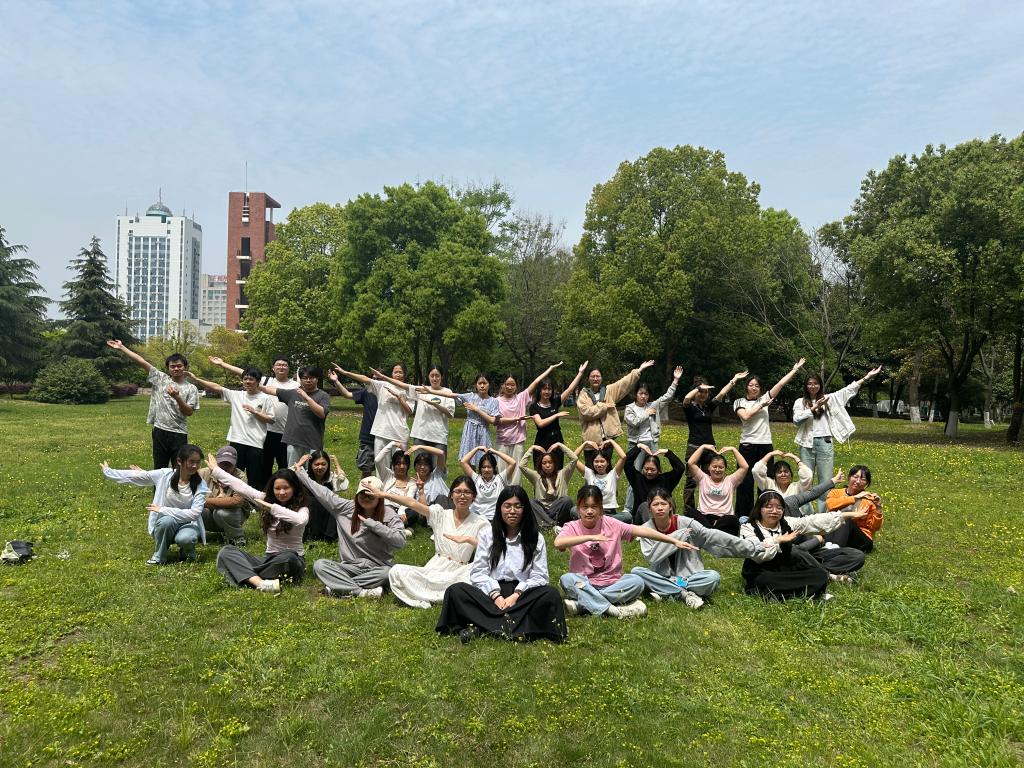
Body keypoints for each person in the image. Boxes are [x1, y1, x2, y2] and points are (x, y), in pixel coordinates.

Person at [436, 485, 566, 644]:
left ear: (525, 509)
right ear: (500, 508)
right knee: (455, 591)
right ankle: (515, 626)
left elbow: (540, 576)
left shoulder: (535, 538)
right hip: (491, 595)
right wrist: (496, 596)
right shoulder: (487, 535)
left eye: (518, 506)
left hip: (522, 596)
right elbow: (478, 573)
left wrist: (516, 595)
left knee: (550, 594)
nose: (512, 511)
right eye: (507, 506)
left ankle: (482, 626)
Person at [554, 485, 699, 618]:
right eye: (585, 507)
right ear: (578, 508)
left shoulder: (611, 524)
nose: (589, 511)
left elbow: (642, 530)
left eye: (594, 506)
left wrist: (673, 540)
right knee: (567, 579)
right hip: (585, 583)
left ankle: (584, 604)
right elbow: (558, 543)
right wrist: (590, 537)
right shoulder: (571, 527)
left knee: (637, 582)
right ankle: (613, 610)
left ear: (601, 508)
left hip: (613, 584)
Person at [631, 488, 763, 608]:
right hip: (662, 576)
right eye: (655, 505)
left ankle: (666, 591)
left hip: (689, 577)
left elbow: (713, 537)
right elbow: (652, 557)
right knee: (637, 572)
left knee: (713, 577)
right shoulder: (646, 530)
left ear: (670, 506)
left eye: (663, 504)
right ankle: (684, 594)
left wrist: (753, 547)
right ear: (649, 509)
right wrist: (678, 536)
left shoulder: (686, 523)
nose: (660, 508)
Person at [373, 476, 489, 608]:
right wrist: (383, 494)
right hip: (436, 568)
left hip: (460, 571)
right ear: (451, 495)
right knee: (396, 571)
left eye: (467, 492)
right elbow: (412, 503)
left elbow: (491, 549)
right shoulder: (440, 514)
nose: (462, 496)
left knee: (475, 572)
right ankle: (445, 593)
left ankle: (437, 593)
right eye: (458, 491)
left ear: (473, 496)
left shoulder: (480, 522)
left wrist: (470, 540)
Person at [293, 472, 407, 598]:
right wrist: (301, 473)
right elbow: (323, 493)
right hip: (349, 567)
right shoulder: (345, 508)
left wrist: (374, 525)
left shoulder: (389, 514)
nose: (366, 498)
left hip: (378, 568)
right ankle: (362, 592)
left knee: (389, 573)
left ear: (379, 497)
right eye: (362, 494)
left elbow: (400, 542)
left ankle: (337, 587)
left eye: (370, 495)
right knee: (319, 566)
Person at [740, 490, 867, 601]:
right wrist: (778, 540)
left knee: (820, 575)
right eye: (769, 507)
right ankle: (800, 591)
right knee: (763, 580)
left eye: (779, 507)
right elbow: (757, 554)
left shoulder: (787, 523)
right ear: (759, 509)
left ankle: (784, 592)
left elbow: (812, 521)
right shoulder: (748, 528)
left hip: (788, 568)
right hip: (763, 571)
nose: (774, 511)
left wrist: (846, 515)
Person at [208, 455, 310, 594]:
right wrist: (216, 470)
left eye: (286, 488)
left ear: (294, 488)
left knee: (289, 558)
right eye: (277, 488)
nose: (281, 492)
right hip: (268, 560)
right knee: (227, 552)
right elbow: (242, 487)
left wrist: (271, 508)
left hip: (290, 561)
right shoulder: (266, 499)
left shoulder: (302, 509)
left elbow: (300, 520)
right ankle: (260, 583)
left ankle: (243, 574)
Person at [794, 366, 883, 512]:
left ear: (820, 385)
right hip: (806, 444)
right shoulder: (800, 402)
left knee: (826, 482)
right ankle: (806, 515)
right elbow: (796, 420)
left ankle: (824, 515)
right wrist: (813, 408)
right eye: (809, 383)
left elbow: (848, 390)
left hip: (825, 443)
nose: (812, 386)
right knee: (806, 480)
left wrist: (866, 377)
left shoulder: (829, 398)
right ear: (805, 385)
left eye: (815, 383)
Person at [101, 444, 208, 564]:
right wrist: (109, 472)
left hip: (188, 523)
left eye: (198, 462)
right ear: (179, 461)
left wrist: (163, 509)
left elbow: (194, 514)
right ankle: (159, 557)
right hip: (167, 523)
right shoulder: (165, 475)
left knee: (185, 538)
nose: (195, 466)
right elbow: (139, 476)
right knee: (167, 521)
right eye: (191, 462)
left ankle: (187, 552)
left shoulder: (201, 485)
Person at [105, 340, 200, 469]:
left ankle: (176, 483)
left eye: (179, 366)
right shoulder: (161, 379)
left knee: (179, 470)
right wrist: (122, 347)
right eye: (172, 366)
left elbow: (189, 412)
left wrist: (177, 398)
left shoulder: (191, 388)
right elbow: (142, 361)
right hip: (159, 431)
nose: (176, 369)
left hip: (179, 433)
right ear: (168, 368)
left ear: (185, 367)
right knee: (159, 469)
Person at [732, 358, 806, 519]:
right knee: (745, 483)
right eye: (751, 385)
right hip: (747, 445)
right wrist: (761, 406)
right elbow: (746, 416)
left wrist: (794, 369)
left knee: (765, 482)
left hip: (765, 445)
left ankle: (763, 515)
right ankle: (743, 517)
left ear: (760, 388)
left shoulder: (764, 398)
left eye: (757, 386)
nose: (754, 388)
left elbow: (780, 384)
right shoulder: (739, 401)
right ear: (746, 387)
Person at [188, 365, 276, 491]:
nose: (247, 382)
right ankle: (232, 498)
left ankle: (252, 501)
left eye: (251, 379)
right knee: (234, 475)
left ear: (258, 381)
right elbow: (217, 387)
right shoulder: (236, 395)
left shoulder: (265, 398)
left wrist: (255, 412)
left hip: (255, 443)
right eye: (245, 379)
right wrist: (196, 379)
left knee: (254, 477)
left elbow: (271, 419)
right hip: (237, 440)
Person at [209, 355, 298, 475]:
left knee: (284, 464)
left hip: (286, 431)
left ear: (289, 368)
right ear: (273, 368)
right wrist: (222, 364)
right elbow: (243, 373)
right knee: (264, 465)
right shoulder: (266, 381)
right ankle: (264, 486)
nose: (281, 367)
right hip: (267, 430)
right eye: (278, 365)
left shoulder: (295, 385)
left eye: (284, 365)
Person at [622, 364, 683, 518]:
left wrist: (675, 380)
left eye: (646, 394)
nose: (643, 396)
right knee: (634, 475)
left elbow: (666, 397)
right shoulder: (629, 408)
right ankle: (629, 508)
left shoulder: (653, 406)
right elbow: (634, 422)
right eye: (641, 393)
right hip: (636, 444)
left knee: (653, 474)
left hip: (652, 443)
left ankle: (655, 503)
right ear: (636, 394)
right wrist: (646, 414)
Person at [680, 371, 746, 510]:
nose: (703, 394)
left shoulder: (708, 406)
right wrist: (699, 387)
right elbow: (686, 398)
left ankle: (708, 507)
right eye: (701, 392)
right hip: (694, 447)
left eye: (706, 392)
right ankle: (689, 511)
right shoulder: (690, 407)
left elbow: (721, 393)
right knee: (691, 482)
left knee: (710, 480)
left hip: (710, 448)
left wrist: (734, 379)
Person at [495, 363, 562, 484]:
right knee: (502, 472)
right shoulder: (496, 401)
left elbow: (536, 382)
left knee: (517, 473)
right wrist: (517, 419)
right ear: (502, 385)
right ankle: (501, 494)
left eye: (512, 385)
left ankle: (516, 494)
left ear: (516, 386)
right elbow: (495, 420)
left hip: (518, 441)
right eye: (507, 384)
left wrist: (550, 369)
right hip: (502, 441)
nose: (510, 387)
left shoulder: (521, 397)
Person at [577, 360, 654, 466]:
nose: (595, 378)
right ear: (588, 378)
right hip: (591, 440)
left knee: (606, 467)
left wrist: (639, 370)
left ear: (601, 378)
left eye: (598, 376)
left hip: (607, 440)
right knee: (590, 469)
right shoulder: (583, 395)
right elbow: (585, 413)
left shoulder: (608, 391)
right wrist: (604, 406)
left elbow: (624, 383)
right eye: (592, 376)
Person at [372, 364, 456, 454]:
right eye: (432, 376)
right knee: (420, 463)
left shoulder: (447, 392)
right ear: (428, 376)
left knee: (438, 463)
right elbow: (402, 385)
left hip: (439, 437)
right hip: (420, 436)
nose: (434, 378)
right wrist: (383, 377)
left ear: (441, 377)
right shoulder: (422, 390)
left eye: (437, 376)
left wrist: (435, 405)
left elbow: (450, 414)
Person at [334, 364, 413, 456]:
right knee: (379, 461)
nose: (398, 374)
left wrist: (399, 398)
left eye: (400, 372)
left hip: (400, 434)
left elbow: (410, 411)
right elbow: (364, 378)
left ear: (404, 374)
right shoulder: (383, 386)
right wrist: (344, 372)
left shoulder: (409, 390)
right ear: (392, 374)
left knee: (399, 463)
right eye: (395, 372)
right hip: (381, 432)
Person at [260, 366, 331, 465]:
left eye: (311, 378)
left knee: (312, 471)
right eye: (305, 378)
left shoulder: (323, 396)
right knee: (293, 470)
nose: (308, 380)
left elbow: (321, 414)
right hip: (293, 441)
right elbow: (273, 390)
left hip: (313, 442)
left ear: (317, 379)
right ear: (300, 380)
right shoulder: (293, 394)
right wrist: (256, 385)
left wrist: (306, 397)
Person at [528, 360, 587, 470]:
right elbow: (540, 423)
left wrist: (580, 373)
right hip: (542, 441)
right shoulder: (534, 407)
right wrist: (556, 415)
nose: (547, 392)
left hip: (556, 439)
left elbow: (570, 389)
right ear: (539, 390)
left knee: (557, 469)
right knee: (541, 470)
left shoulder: (555, 402)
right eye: (544, 389)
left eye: (549, 389)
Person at [685, 444, 749, 535]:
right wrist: (702, 447)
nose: (717, 470)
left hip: (723, 518)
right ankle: (713, 531)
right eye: (714, 467)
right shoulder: (702, 478)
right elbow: (691, 463)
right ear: (709, 467)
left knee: (733, 520)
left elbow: (744, 467)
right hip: (704, 516)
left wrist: (733, 449)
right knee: (690, 513)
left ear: (725, 469)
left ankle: (708, 532)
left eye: (721, 467)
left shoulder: (731, 481)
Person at [327, 365, 378, 477]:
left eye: (378, 379)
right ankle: (364, 489)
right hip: (368, 437)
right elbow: (347, 394)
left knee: (386, 469)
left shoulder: (389, 394)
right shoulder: (367, 392)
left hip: (385, 436)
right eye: (373, 378)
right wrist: (336, 381)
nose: (375, 381)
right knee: (366, 469)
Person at [517, 443, 580, 528]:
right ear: (540, 465)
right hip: (542, 511)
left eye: (550, 462)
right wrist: (532, 448)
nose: (547, 465)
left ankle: (547, 524)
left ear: (554, 463)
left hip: (558, 510)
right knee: (531, 502)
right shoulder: (536, 476)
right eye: (544, 463)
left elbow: (574, 459)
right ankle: (552, 525)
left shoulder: (562, 474)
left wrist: (560, 445)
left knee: (567, 500)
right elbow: (521, 466)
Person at [199, 445, 251, 547]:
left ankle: (237, 537)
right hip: (209, 514)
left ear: (235, 465)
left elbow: (236, 501)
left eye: (229, 464)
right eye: (222, 463)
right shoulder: (203, 473)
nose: (225, 467)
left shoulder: (240, 477)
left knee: (222, 513)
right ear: (216, 462)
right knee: (194, 510)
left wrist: (205, 501)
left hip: (232, 515)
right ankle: (193, 534)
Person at [824, 465, 883, 553]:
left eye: (863, 479)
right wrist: (854, 498)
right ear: (849, 477)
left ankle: (834, 549)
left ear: (867, 483)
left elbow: (875, 527)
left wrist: (878, 508)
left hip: (861, 539)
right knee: (833, 517)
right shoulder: (836, 493)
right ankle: (828, 546)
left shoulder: (869, 500)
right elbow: (830, 505)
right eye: (855, 477)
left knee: (846, 519)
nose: (858, 481)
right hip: (836, 534)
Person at [294, 450, 350, 542]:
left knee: (333, 504)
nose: (320, 467)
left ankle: (329, 536)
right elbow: (286, 477)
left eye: (323, 464)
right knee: (313, 501)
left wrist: (338, 466)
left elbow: (344, 486)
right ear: (311, 465)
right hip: (310, 511)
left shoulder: (330, 477)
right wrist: (299, 464)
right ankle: (312, 535)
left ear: (328, 465)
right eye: (316, 464)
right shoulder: (303, 475)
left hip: (326, 512)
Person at [623, 444, 686, 523]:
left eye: (653, 470)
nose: (649, 472)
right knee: (645, 506)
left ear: (658, 470)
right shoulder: (637, 479)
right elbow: (626, 463)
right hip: (642, 521)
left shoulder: (666, 480)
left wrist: (668, 452)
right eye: (646, 469)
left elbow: (680, 468)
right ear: (642, 468)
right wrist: (638, 447)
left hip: (663, 519)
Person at [575, 439, 630, 522]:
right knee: (573, 510)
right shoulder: (589, 474)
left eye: (602, 461)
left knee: (627, 516)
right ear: (592, 463)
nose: (599, 464)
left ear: (608, 463)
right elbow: (573, 458)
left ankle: (600, 521)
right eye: (596, 461)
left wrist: (611, 441)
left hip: (609, 513)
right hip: (593, 511)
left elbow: (623, 457)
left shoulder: (613, 474)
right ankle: (603, 522)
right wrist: (585, 443)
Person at [459, 445, 518, 521]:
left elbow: (513, 463)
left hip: (495, 519)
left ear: (494, 468)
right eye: (483, 467)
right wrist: (477, 448)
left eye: (489, 467)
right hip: (476, 519)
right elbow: (463, 462)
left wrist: (496, 452)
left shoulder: (501, 478)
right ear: (480, 469)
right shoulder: (476, 478)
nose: (486, 470)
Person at [454, 374, 501, 467]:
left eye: (485, 383)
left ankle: (482, 476)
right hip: (469, 431)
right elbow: (452, 395)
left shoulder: (493, 401)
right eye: (480, 383)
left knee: (484, 459)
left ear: (489, 384)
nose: (482, 386)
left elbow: (492, 420)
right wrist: (430, 391)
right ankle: (470, 476)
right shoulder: (470, 396)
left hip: (483, 432)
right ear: (476, 385)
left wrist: (476, 409)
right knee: (468, 459)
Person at [375, 442, 418, 531]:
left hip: (402, 510)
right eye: (398, 464)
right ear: (393, 465)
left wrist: (401, 511)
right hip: (386, 508)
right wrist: (391, 444)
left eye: (404, 464)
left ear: (408, 465)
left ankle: (390, 526)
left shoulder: (412, 482)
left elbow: (409, 499)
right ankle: (401, 528)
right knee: (383, 510)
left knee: (414, 513)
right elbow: (377, 460)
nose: (402, 467)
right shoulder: (387, 475)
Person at [409, 444, 451, 508]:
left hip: (445, 508)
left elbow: (441, 453)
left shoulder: (437, 475)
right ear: (415, 466)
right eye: (419, 464)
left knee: (440, 498)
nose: (422, 467)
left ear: (430, 466)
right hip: (427, 510)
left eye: (425, 464)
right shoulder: (413, 484)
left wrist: (420, 446)